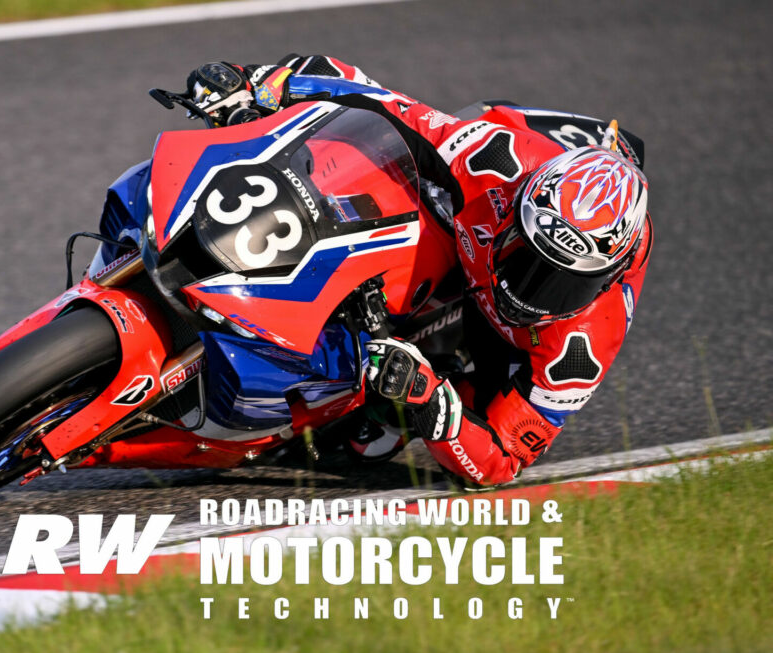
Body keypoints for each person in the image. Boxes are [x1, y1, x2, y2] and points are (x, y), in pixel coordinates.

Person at [184, 55, 652, 487]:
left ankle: (394, 398)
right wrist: (260, 89)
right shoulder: (493, 163)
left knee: (371, 436)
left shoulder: (579, 349)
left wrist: (431, 405)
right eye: (524, 256)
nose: (530, 291)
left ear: (606, 279)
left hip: (505, 341)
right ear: (514, 215)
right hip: (473, 222)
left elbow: (500, 463)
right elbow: (384, 104)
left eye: (562, 283)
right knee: (358, 166)